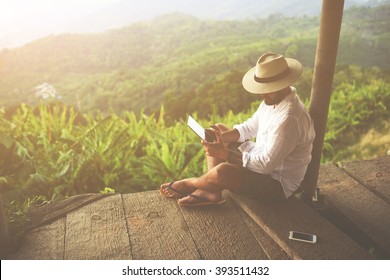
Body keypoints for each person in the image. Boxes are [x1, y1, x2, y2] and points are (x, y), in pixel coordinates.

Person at [160, 52, 315, 206]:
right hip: (259, 158)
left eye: (268, 88)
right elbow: (249, 128)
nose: (262, 94)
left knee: (222, 172)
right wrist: (220, 137)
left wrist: (224, 154)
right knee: (219, 130)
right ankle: (211, 191)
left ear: (283, 85)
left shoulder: (289, 120)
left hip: (275, 184)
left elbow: (265, 166)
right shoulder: (273, 101)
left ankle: (192, 184)